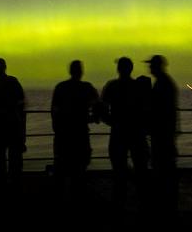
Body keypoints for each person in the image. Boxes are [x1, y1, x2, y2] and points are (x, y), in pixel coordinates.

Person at [101, 57, 149, 207]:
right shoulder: (138, 86)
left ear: (118, 69)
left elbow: (102, 109)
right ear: (131, 69)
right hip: (137, 133)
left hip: (118, 133)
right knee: (140, 168)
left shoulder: (112, 86)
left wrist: (112, 122)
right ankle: (143, 201)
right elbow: (146, 110)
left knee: (118, 169)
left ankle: (120, 201)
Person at [51, 60, 99, 201]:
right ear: (81, 72)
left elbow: (54, 111)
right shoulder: (87, 88)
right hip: (80, 135)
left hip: (63, 136)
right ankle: (78, 199)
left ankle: (62, 199)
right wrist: (92, 119)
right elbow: (98, 106)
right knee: (79, 170)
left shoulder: (61, 87)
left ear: (70, 71)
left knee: (61, 170)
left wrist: (58, 129)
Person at [145, 54, 180, 212]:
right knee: (165, 164)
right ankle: (167, 197)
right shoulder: (165, 83)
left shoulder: (162, 84)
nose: (149, 68)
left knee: (163, 164)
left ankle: (166, 199)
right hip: (165, 130)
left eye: (151, 65)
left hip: (162, 131)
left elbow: (158, 109)